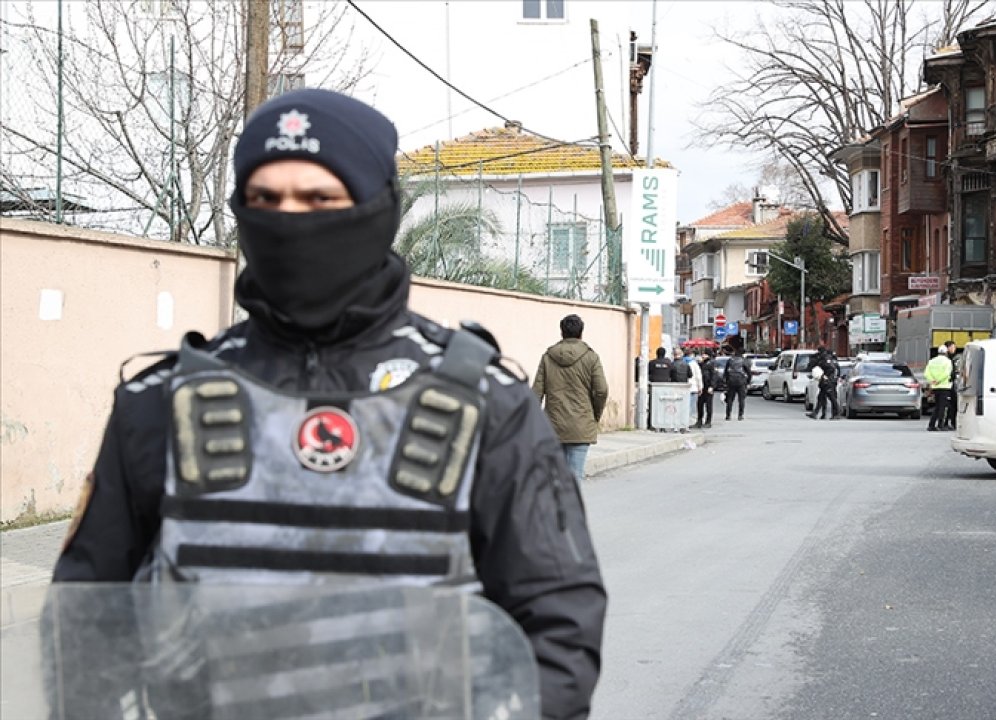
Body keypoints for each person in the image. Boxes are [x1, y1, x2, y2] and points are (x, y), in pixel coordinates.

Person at [50, 89, 606, 720]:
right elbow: (85, 632)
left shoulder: (486, 404)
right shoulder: (160, 403)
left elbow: (558, 626)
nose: (290, 221)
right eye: (265, 200)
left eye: (319, 200)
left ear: (378, 209)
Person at [533, 313, 609, 484]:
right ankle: (571, 510)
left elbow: (536, 393)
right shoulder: (591, 357)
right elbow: (601, 390)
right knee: (575, 478)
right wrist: (594, 415)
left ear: (562, 333)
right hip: (581, 424)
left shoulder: (547, 357)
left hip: (552, 425)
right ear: (581, 333)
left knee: (554, 479)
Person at [926, 343, 955, 432]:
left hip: (935, 387)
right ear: (946, 352)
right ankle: (941, 425)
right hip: (945, 386)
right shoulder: (947, 361)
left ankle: (931, 425)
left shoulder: (932, 361)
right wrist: (939, 380)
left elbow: (926, 373)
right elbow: (947, 373)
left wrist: (933, 381)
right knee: (943, 407)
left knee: (937, 406)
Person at [808, 348, 839, 420]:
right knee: (821, 397)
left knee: (832, 398)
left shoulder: (826, 359)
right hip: (827, 381)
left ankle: (836, 413)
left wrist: (826, 376)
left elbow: (831, 369)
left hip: (828, 382)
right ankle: (817, 413)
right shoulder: (828, 359)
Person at [723, 347, 749, 421]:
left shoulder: (730, 360)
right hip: (741, 382)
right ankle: (740, 415)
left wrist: (726, 381)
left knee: (730, 399)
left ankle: (728, 415)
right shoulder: (743, 361)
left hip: (731, 382)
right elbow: (748, 372)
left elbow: (725, 371)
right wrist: (748, 381)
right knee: (741, 399)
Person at [696, 353, 717, 428]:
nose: (702, 356)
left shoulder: (711, 363)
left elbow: (714, 375)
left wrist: (712, 386)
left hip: (708, 386)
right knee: (699, 404)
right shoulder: (701, 363)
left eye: (704, 354)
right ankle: (699, 421)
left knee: (708, 405)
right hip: (702, 387)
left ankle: (708, 422)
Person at [684, 349, 702, 432]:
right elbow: (698, 376)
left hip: (683, 387)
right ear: (692, 355)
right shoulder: (694, 364)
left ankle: (681, 423)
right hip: (693, 388)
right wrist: (700, 387)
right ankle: (686, 424)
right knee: (690, 407)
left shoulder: (682, 362)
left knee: (683, 406)